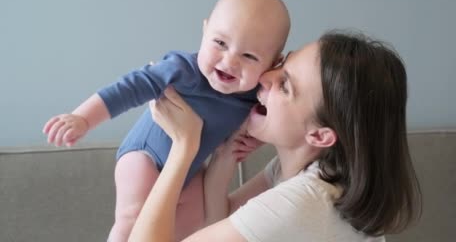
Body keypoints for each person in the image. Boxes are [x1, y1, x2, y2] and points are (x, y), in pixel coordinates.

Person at [42, 0, 291, 241]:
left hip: (190, 170)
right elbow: (130, 87)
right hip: (144, 155)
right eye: (220, 43)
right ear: (205, 30)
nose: (229, 61)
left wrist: (255, 140)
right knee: (134, 217)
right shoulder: (183, 70)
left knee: (195, 222)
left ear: (273, 63)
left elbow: (279, 121)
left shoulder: (254, 96)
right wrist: (83, 118)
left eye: (249, 56)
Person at [129, 30, 422, 242]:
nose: (266, 76)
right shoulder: (314, 171)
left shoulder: (304, 202)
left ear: (320, 136)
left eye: (285, 86)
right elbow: (224, 218)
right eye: (283, 64)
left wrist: (184, 147)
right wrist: (225, 155)